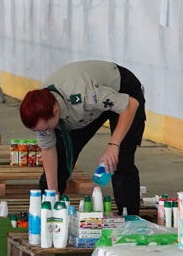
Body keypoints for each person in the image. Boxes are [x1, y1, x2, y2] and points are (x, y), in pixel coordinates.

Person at [19, 60, 146, 215]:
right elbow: (48, 149)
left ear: (55, 111)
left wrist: (114, 145)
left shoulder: (85, 95)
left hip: (123, 93)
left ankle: (130, 218)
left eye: (45, 129)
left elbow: (130, 105)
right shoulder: (40, 109)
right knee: (60, 161)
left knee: (120, 159)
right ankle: (47, 216)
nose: (44, 132)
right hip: (86, 109)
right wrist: (53, 192)